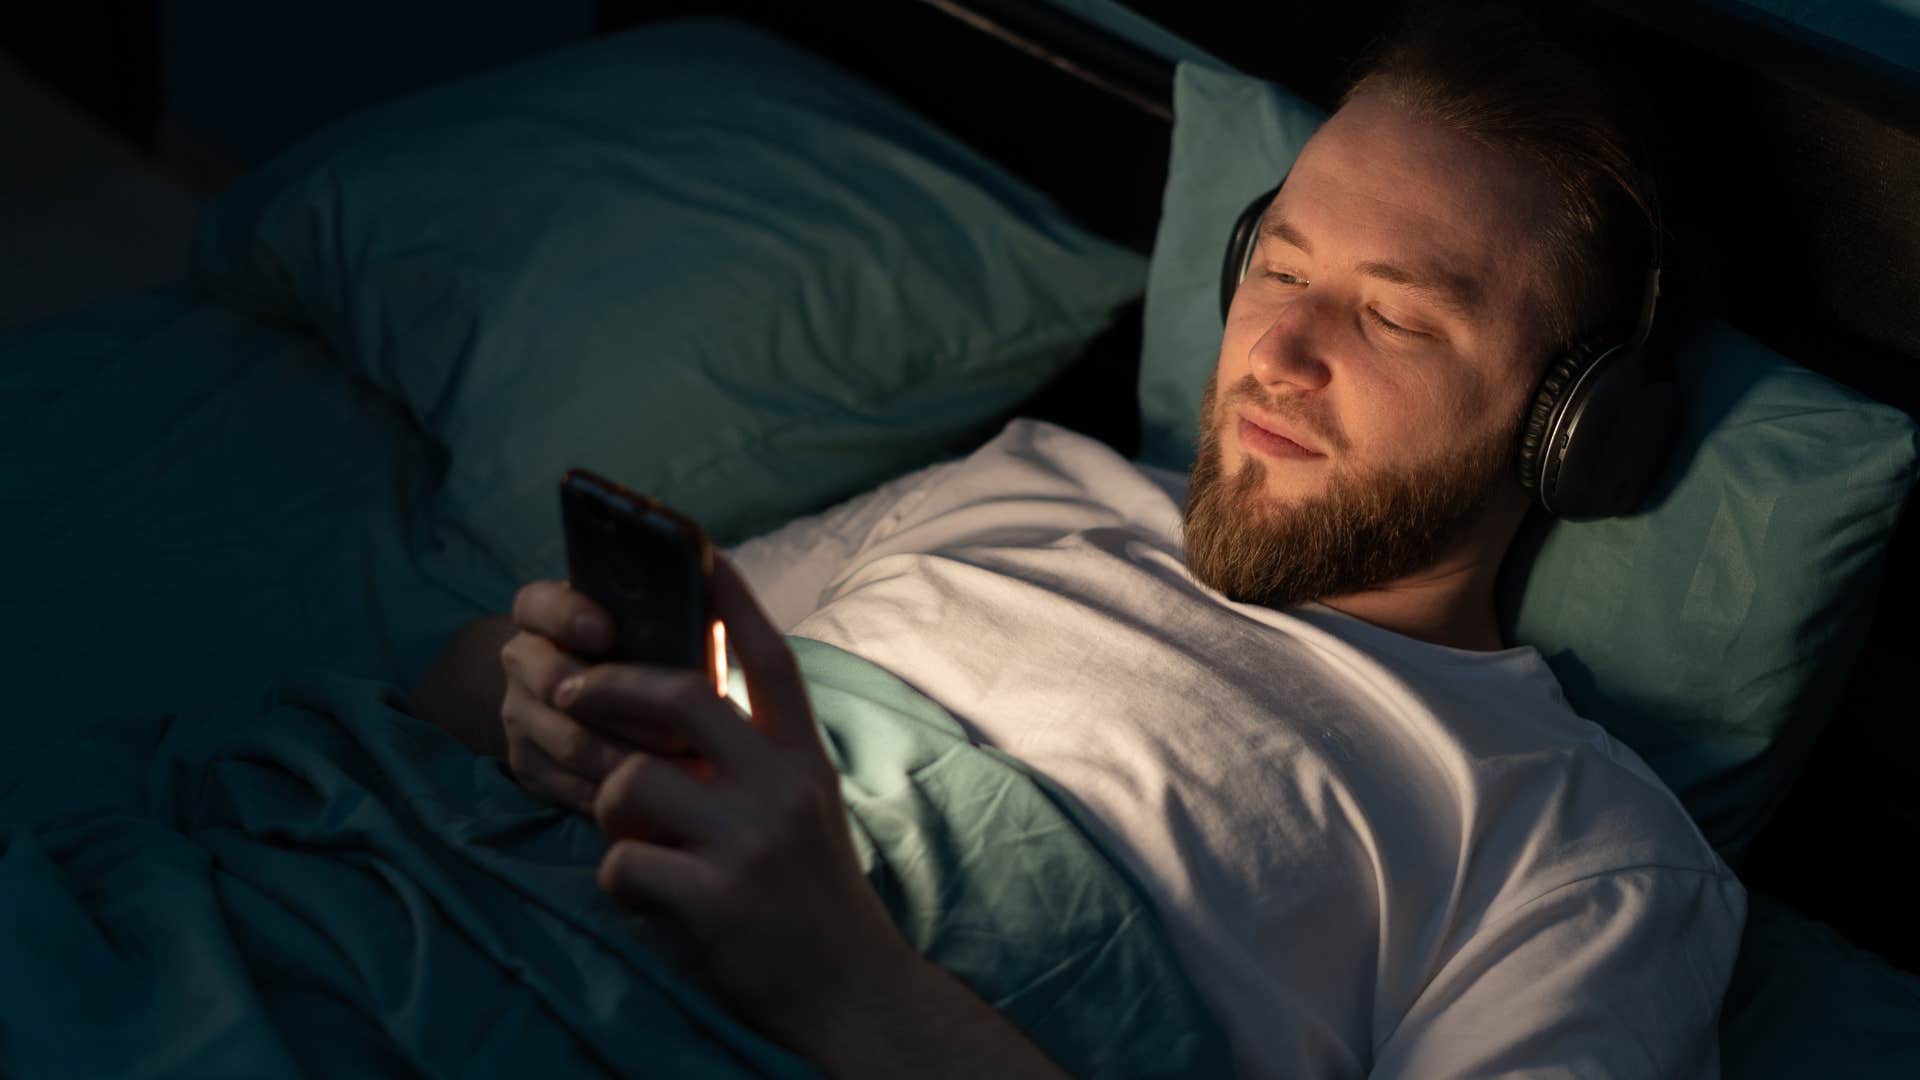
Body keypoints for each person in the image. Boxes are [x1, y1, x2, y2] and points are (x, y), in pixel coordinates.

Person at [411, 4, 1745, 1076]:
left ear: (1571, 428)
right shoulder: (1028, 479)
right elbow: (450, 688)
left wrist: (845, 985)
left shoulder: (1574, 843)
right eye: (1278, 269)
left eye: (1392, 318)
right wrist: (544, 709)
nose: (1278, 354)